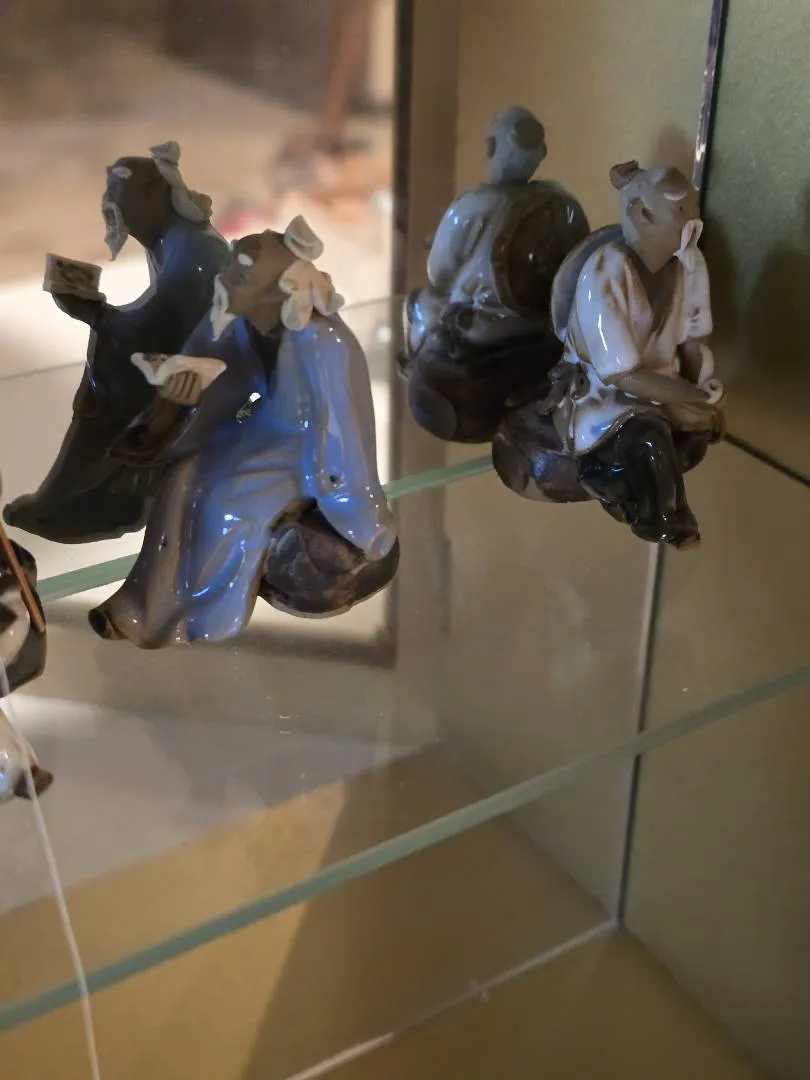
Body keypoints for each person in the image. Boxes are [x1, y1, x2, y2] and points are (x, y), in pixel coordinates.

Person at [88, 217, 398, 647]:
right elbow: (237, 390)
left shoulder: (324, 343)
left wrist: (350, 508)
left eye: (242, 272)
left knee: (225, 500)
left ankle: (203, 613)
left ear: (278, 287)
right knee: (182, 476)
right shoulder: (242, 323)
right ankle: (143, 602)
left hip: (304, 452)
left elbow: (342, 430)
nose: (226, 277)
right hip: (260, 428)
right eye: (232, 265)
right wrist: (189, 395)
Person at [4, 142, 230, 543]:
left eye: (119, 195)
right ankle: (65, 499)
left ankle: (74, 504)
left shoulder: (195, 253)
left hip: (204, 375)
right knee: (104, 381)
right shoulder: (176, 239)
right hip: (183, 360)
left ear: (153, 195)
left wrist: (97, 314)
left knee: (103, 397)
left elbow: (161, 333)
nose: (110, 204)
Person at [494, 161, 725, 548]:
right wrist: (685, 398)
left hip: (667, 384)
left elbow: (693, 342)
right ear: (641, 214)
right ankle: (664, 519)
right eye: (680, 211)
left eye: (692, 210)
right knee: (647, 436)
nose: (692, 222)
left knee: (697, 427)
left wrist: (704, 388)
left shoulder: (690, 263)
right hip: (604, 393)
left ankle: (618, 482)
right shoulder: (605, 272)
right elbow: (621, 374)